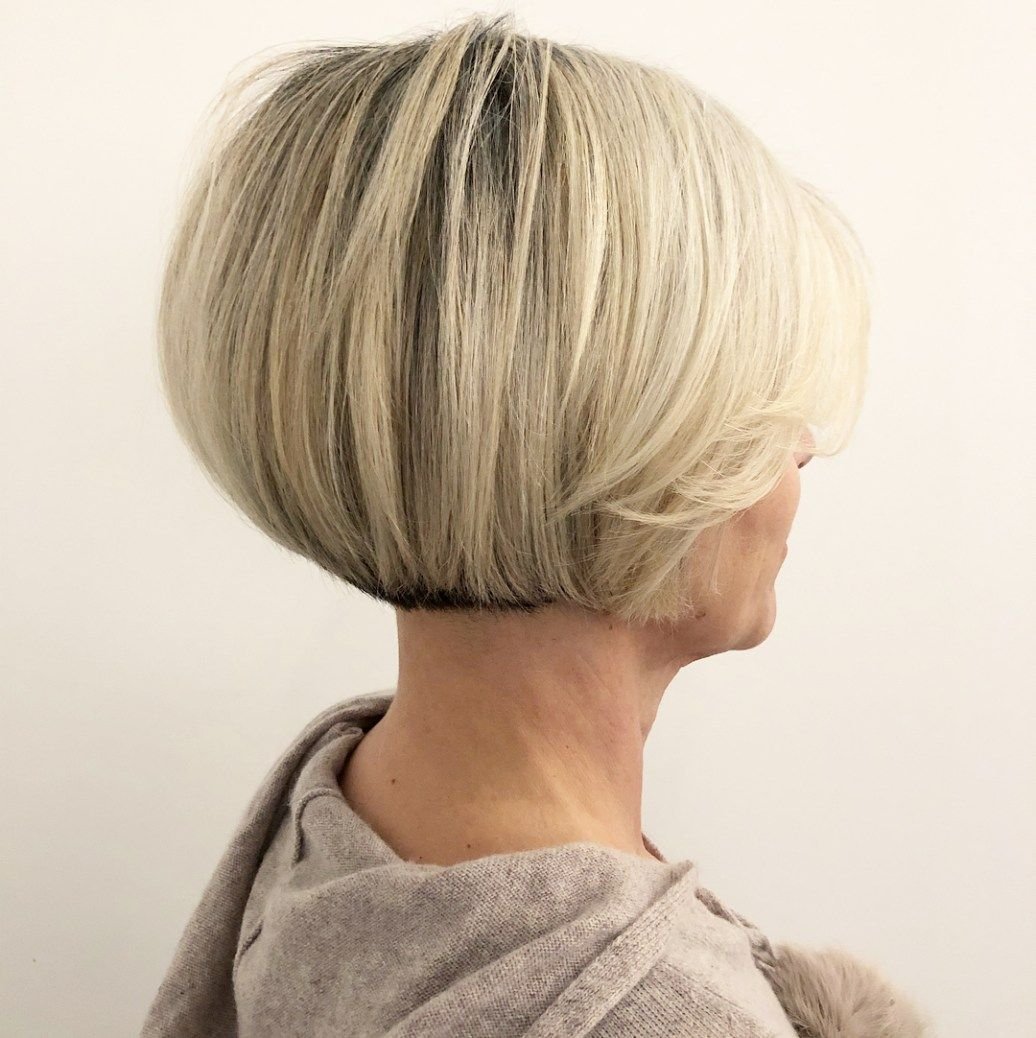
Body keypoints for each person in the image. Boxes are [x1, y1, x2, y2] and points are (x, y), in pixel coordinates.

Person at [142, 14, 930, 1037]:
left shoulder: (340, 812)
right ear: (633, 449)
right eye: (760, 412)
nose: (803, 452)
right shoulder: (653, 1015)